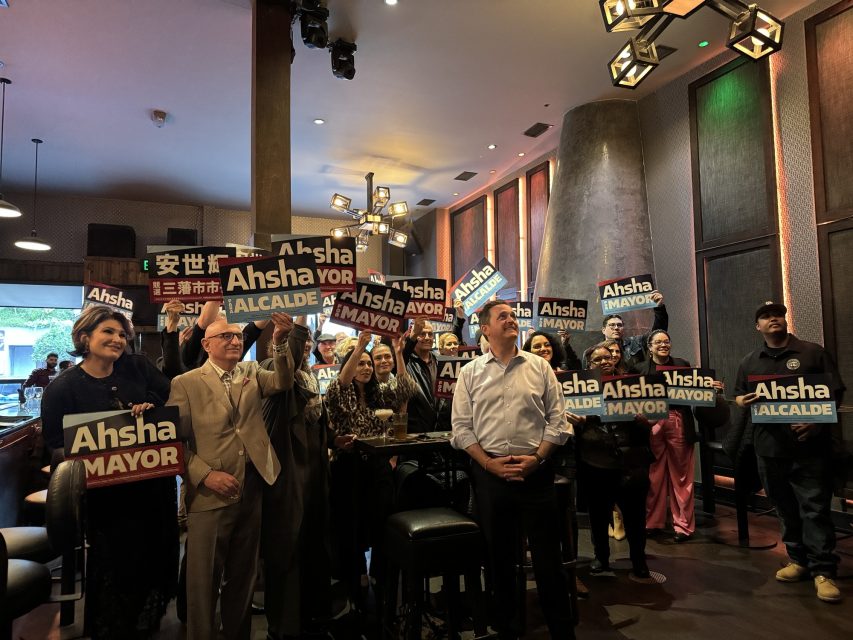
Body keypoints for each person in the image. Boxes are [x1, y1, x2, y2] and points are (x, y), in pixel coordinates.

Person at [40, 306, 177, 639]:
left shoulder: (138, 367)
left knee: (153, 560)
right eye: (108, 332)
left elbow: (169, 388)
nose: (117, 339)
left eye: (121, 334)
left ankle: (147, 625)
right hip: (107, 500)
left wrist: (149, 405)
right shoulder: (63, 388)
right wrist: (89, 453)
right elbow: (56, 446)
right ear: (85, 337)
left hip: (153, 490)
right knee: (115, 567)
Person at [168, 312, 295, 640]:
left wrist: (279, 343)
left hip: (252, 485)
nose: (235, 340)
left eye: (238, 336)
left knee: (243, 577)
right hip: (209, 493)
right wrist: (205, 474)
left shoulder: (253, 372)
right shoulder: (185, 383)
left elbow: (283, 381)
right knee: (203, 581)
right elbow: (173, 444)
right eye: (226, 336)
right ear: (206, 344)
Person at [451, 299, 573, 639]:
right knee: (499, 561)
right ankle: (507, 629)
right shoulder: (470, 372)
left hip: (537, 475)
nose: (511, 320)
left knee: (548, 562)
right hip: (492, 478)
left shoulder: (540, 367)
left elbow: (558, 422)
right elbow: (461, 428)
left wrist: (537, 458)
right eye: (502, 316)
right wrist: (489, 463)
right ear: (485, 328)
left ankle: (562, 631)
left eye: (513, 316)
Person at [733, 301, 845, 603]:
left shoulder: (812, 352)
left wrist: (816, 424)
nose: (774, 319)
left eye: (778, 315)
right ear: (758, 326)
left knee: (815, 510)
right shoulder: (749, 361)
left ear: (785, 320)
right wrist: (742, 402)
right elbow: (738, 395)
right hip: (768, 450)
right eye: (766, 317)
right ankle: (798, 561)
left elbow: (834, 395)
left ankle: (824, 571)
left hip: (810, 449)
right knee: (784, 509)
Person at [326, 331, 414, 613]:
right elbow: (338, 385)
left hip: (377, 468)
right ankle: (355, 584)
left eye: (368, 364)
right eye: (360, 364)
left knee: (381, 523)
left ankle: (380, 575)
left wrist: (399, 353)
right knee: (350, 529)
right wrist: (360, 347)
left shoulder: (379, 395)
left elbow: (405, 391)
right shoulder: (340, 393)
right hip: (348, 469)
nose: (365, 368)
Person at [260, 319, 334, 639]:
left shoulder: (311, 373)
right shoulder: (270, 370)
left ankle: (314, 615)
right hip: (289, 470)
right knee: (287, 548)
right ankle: (285, 626)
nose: (304, 346)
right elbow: (286, 371)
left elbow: (317, 419)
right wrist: (298, 325)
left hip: (314, 467)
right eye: (299, 342)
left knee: (313, 544)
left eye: (306, 342)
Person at [631, 330, 729, 542]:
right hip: (651, 422)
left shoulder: (683, 365)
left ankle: (683, 526)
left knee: (682, 476)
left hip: (678, 420)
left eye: (666, 341)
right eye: (658, 342)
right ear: (649, 346)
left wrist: (710, 387)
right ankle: (652, 523)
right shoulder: (638, 368)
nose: (663, 345)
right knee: (653, 475)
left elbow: (696, 389)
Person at [567, 342, 653, 580]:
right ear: (589, 364)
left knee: (635, 517)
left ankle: (639, 560)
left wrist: (645, 420)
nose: (605, 361)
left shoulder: (633, 385)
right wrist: (578, 421)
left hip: (631, 463)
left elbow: (650, 420)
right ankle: (601, 558)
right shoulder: (579, 389)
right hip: (595, 463)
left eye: (608, 357)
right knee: (598, 516)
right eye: (598, 359)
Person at [594, 289, 667, 369]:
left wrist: (659, 308)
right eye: (612, 325)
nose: (616, 328)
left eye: (619, 325)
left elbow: (657, 333)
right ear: (603, 330)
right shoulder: (595, 351)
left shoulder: (636, 342)